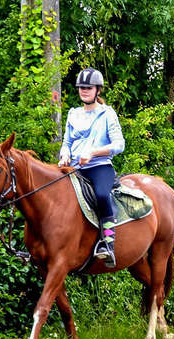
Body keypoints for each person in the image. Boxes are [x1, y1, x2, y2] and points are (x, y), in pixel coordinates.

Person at [58, 67, 125, 267]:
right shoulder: (73, 114)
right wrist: (64, 154)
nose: (84, 91)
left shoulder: (107, 114)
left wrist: (93, 153)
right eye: (81, 87)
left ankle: (108, 244)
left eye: (89, 87)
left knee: (102, 195)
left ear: (98, 90)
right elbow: (67, 142)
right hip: (74, 168)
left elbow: (119, 145)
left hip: (99, 167)